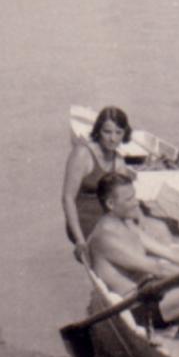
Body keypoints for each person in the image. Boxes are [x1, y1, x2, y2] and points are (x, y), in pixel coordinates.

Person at [87, 172, 179, 325]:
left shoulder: (126, 225)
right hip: (136, 309)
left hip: (150, 292)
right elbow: (158, 268)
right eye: (129, 199)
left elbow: (167, 252)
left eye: (134, 196)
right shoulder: (105, 237)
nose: (136, 203)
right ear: (110, 204)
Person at [62, 106, 134, 261]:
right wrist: (80, 241)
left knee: (141, 234)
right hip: (82, 219)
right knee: (117, 246)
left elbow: (125, 199)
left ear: (124, 134)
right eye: (107, 132)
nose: (113, 138)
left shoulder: (119, 162)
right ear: (98, 131)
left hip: (107, 217)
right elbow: (67, 198)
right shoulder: (82, 154)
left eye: (118, 133)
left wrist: (134, 224)